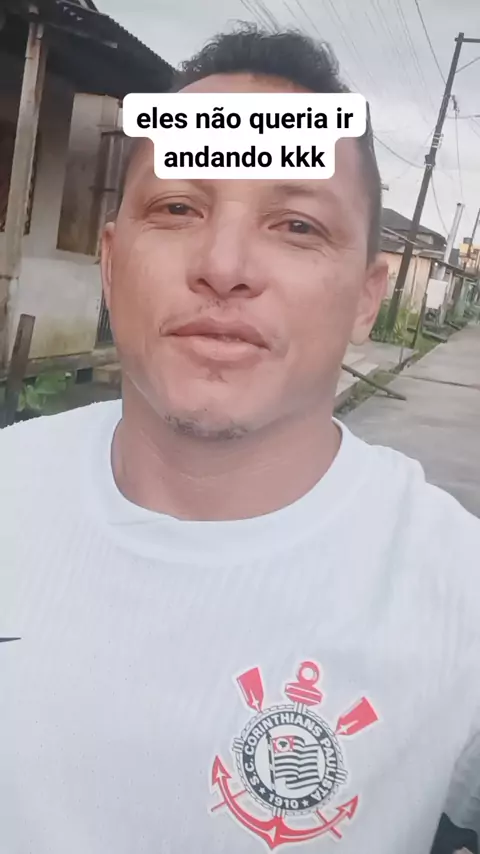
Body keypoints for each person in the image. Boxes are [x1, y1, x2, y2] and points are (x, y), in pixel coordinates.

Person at [1, 25, 479, 854]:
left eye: (296, 226)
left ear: (369, 297)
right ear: (111, 261)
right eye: (178, 208)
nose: (224, 266)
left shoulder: (459, 596)